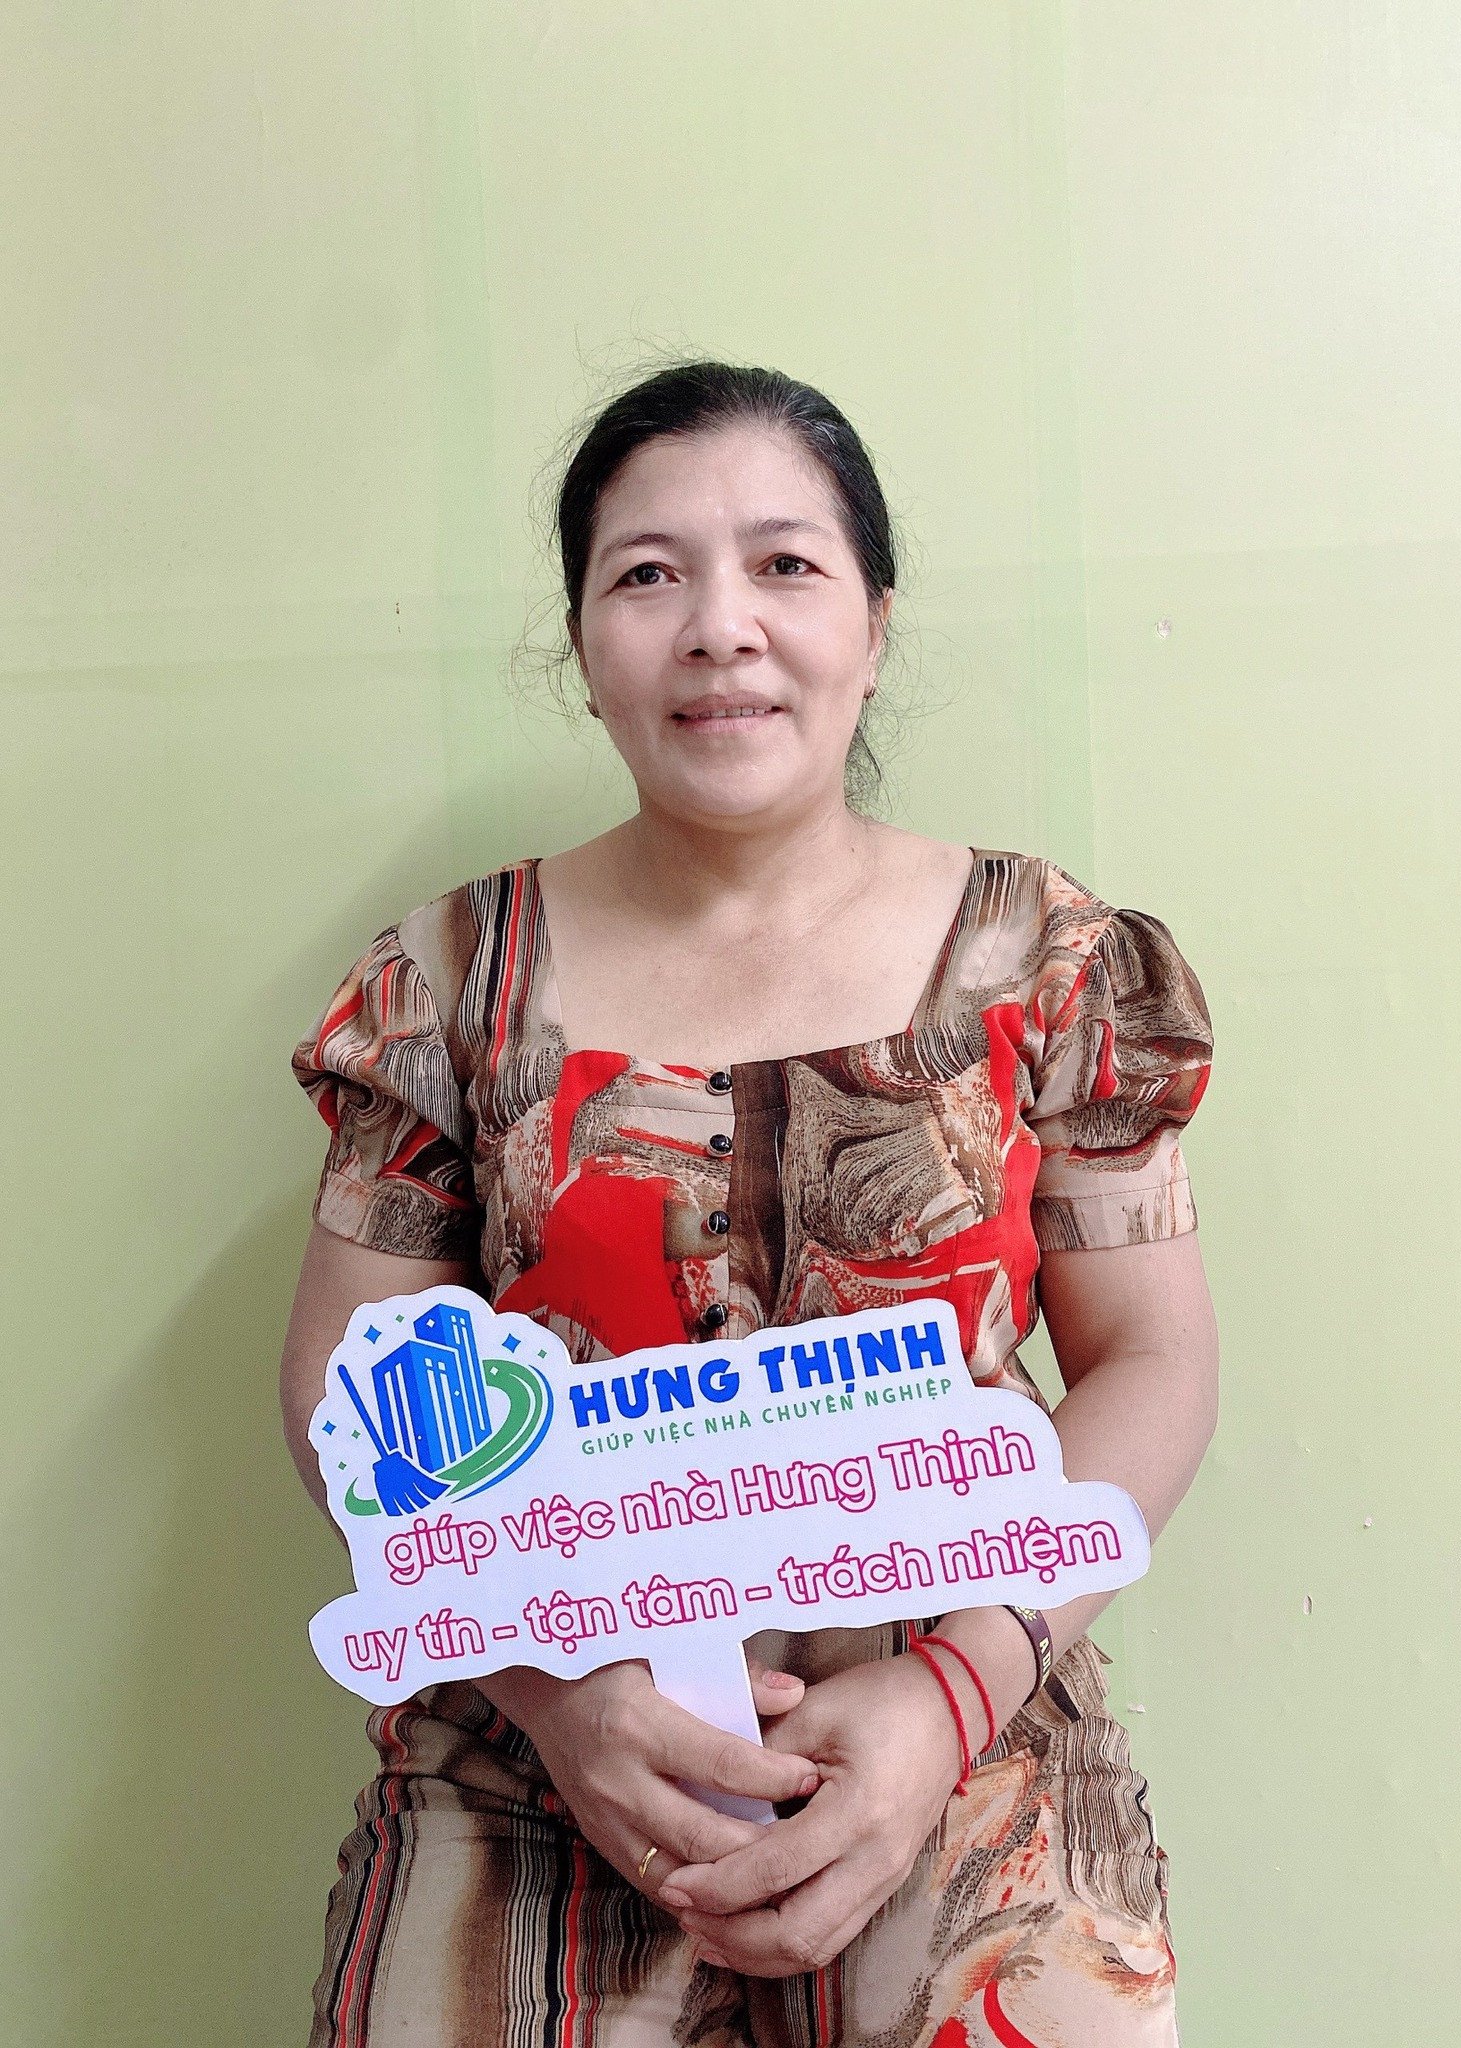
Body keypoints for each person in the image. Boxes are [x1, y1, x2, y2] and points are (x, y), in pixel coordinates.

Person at [281, 362, 1218, 2048]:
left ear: (873, 621)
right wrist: (556, 1693)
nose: (722, 627)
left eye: (786, 564)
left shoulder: (1050, 962)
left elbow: (1152, 1360)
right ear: (583, 645)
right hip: (527, 1755)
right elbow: (342, 1397)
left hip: (969, 1723)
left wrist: (951, 1693)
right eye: (650, 574)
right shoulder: (448, 981)